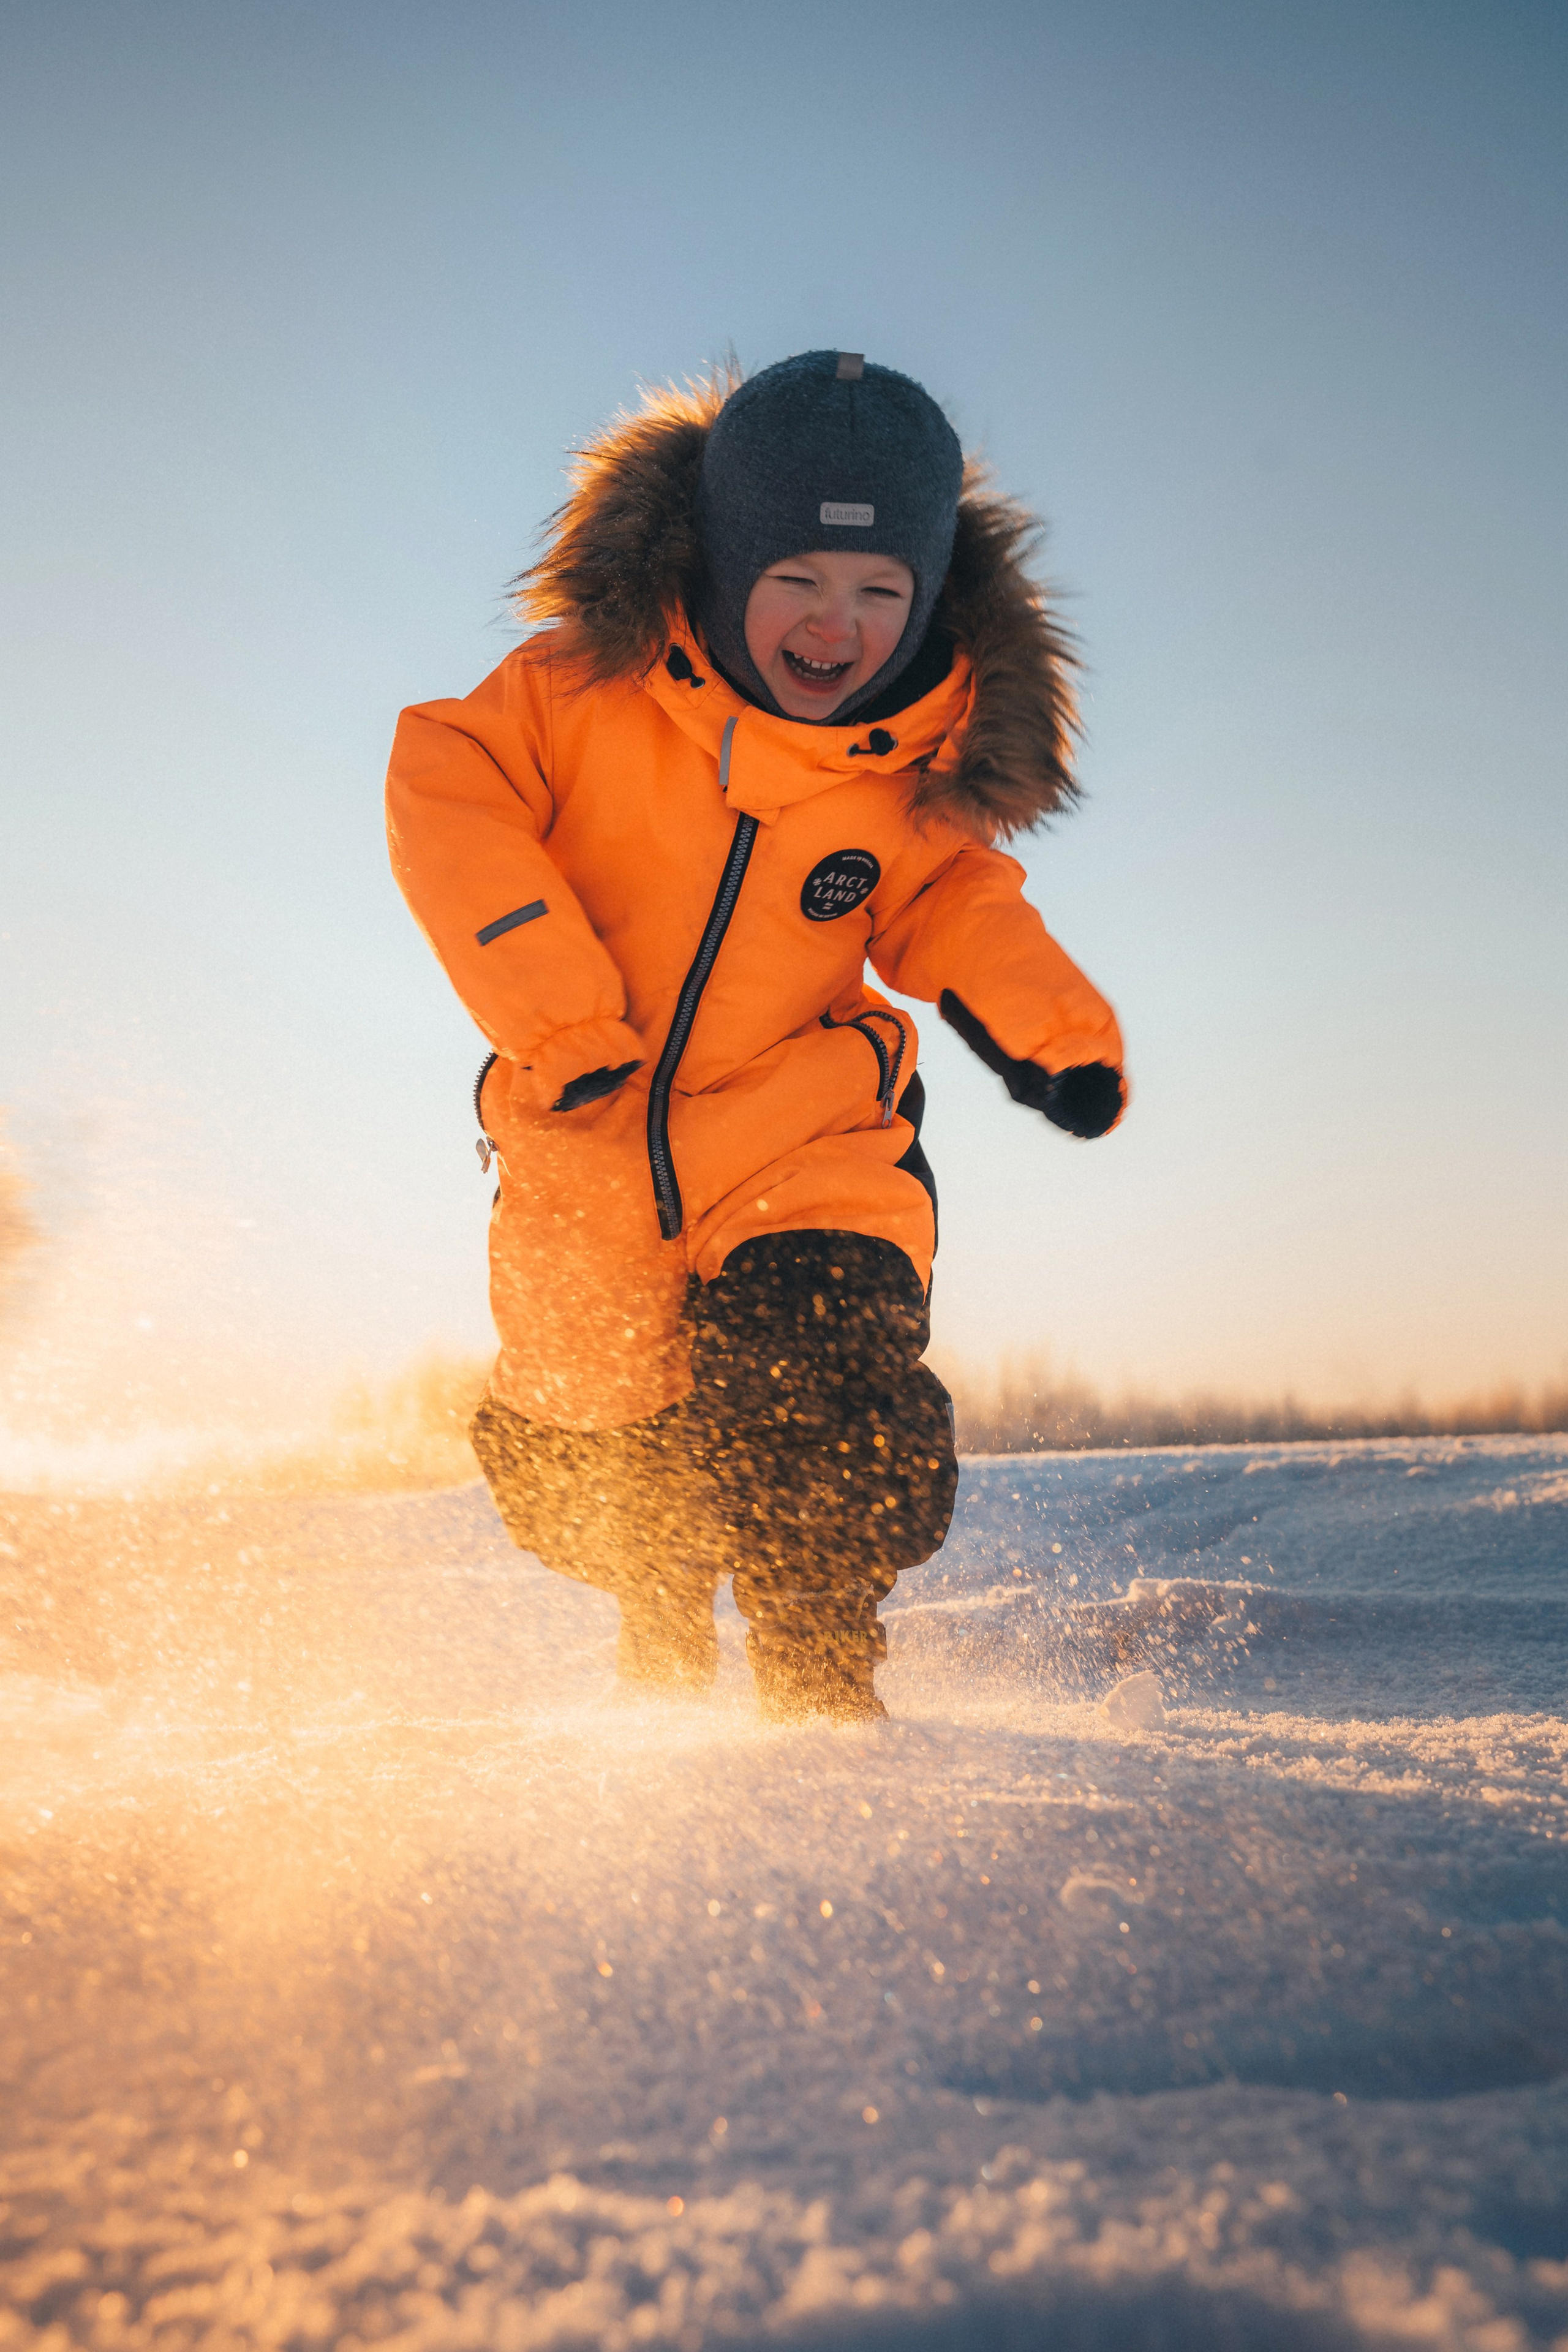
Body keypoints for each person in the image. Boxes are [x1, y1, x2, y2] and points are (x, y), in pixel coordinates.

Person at [385, 350, 1126, 1724]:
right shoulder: (566, 698)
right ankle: (660, 1657)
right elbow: (445, 787)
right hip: (586, 1130)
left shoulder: (902, 776)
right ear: (720, 567)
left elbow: (962, 912)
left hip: (803, 1136)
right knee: (597, 1460)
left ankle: (819, 1697)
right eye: (797, 580)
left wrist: (1054, 1035)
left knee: (818, 1380)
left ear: (921, 605)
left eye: (877, 593)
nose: (834, 626)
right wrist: (557, 1013)